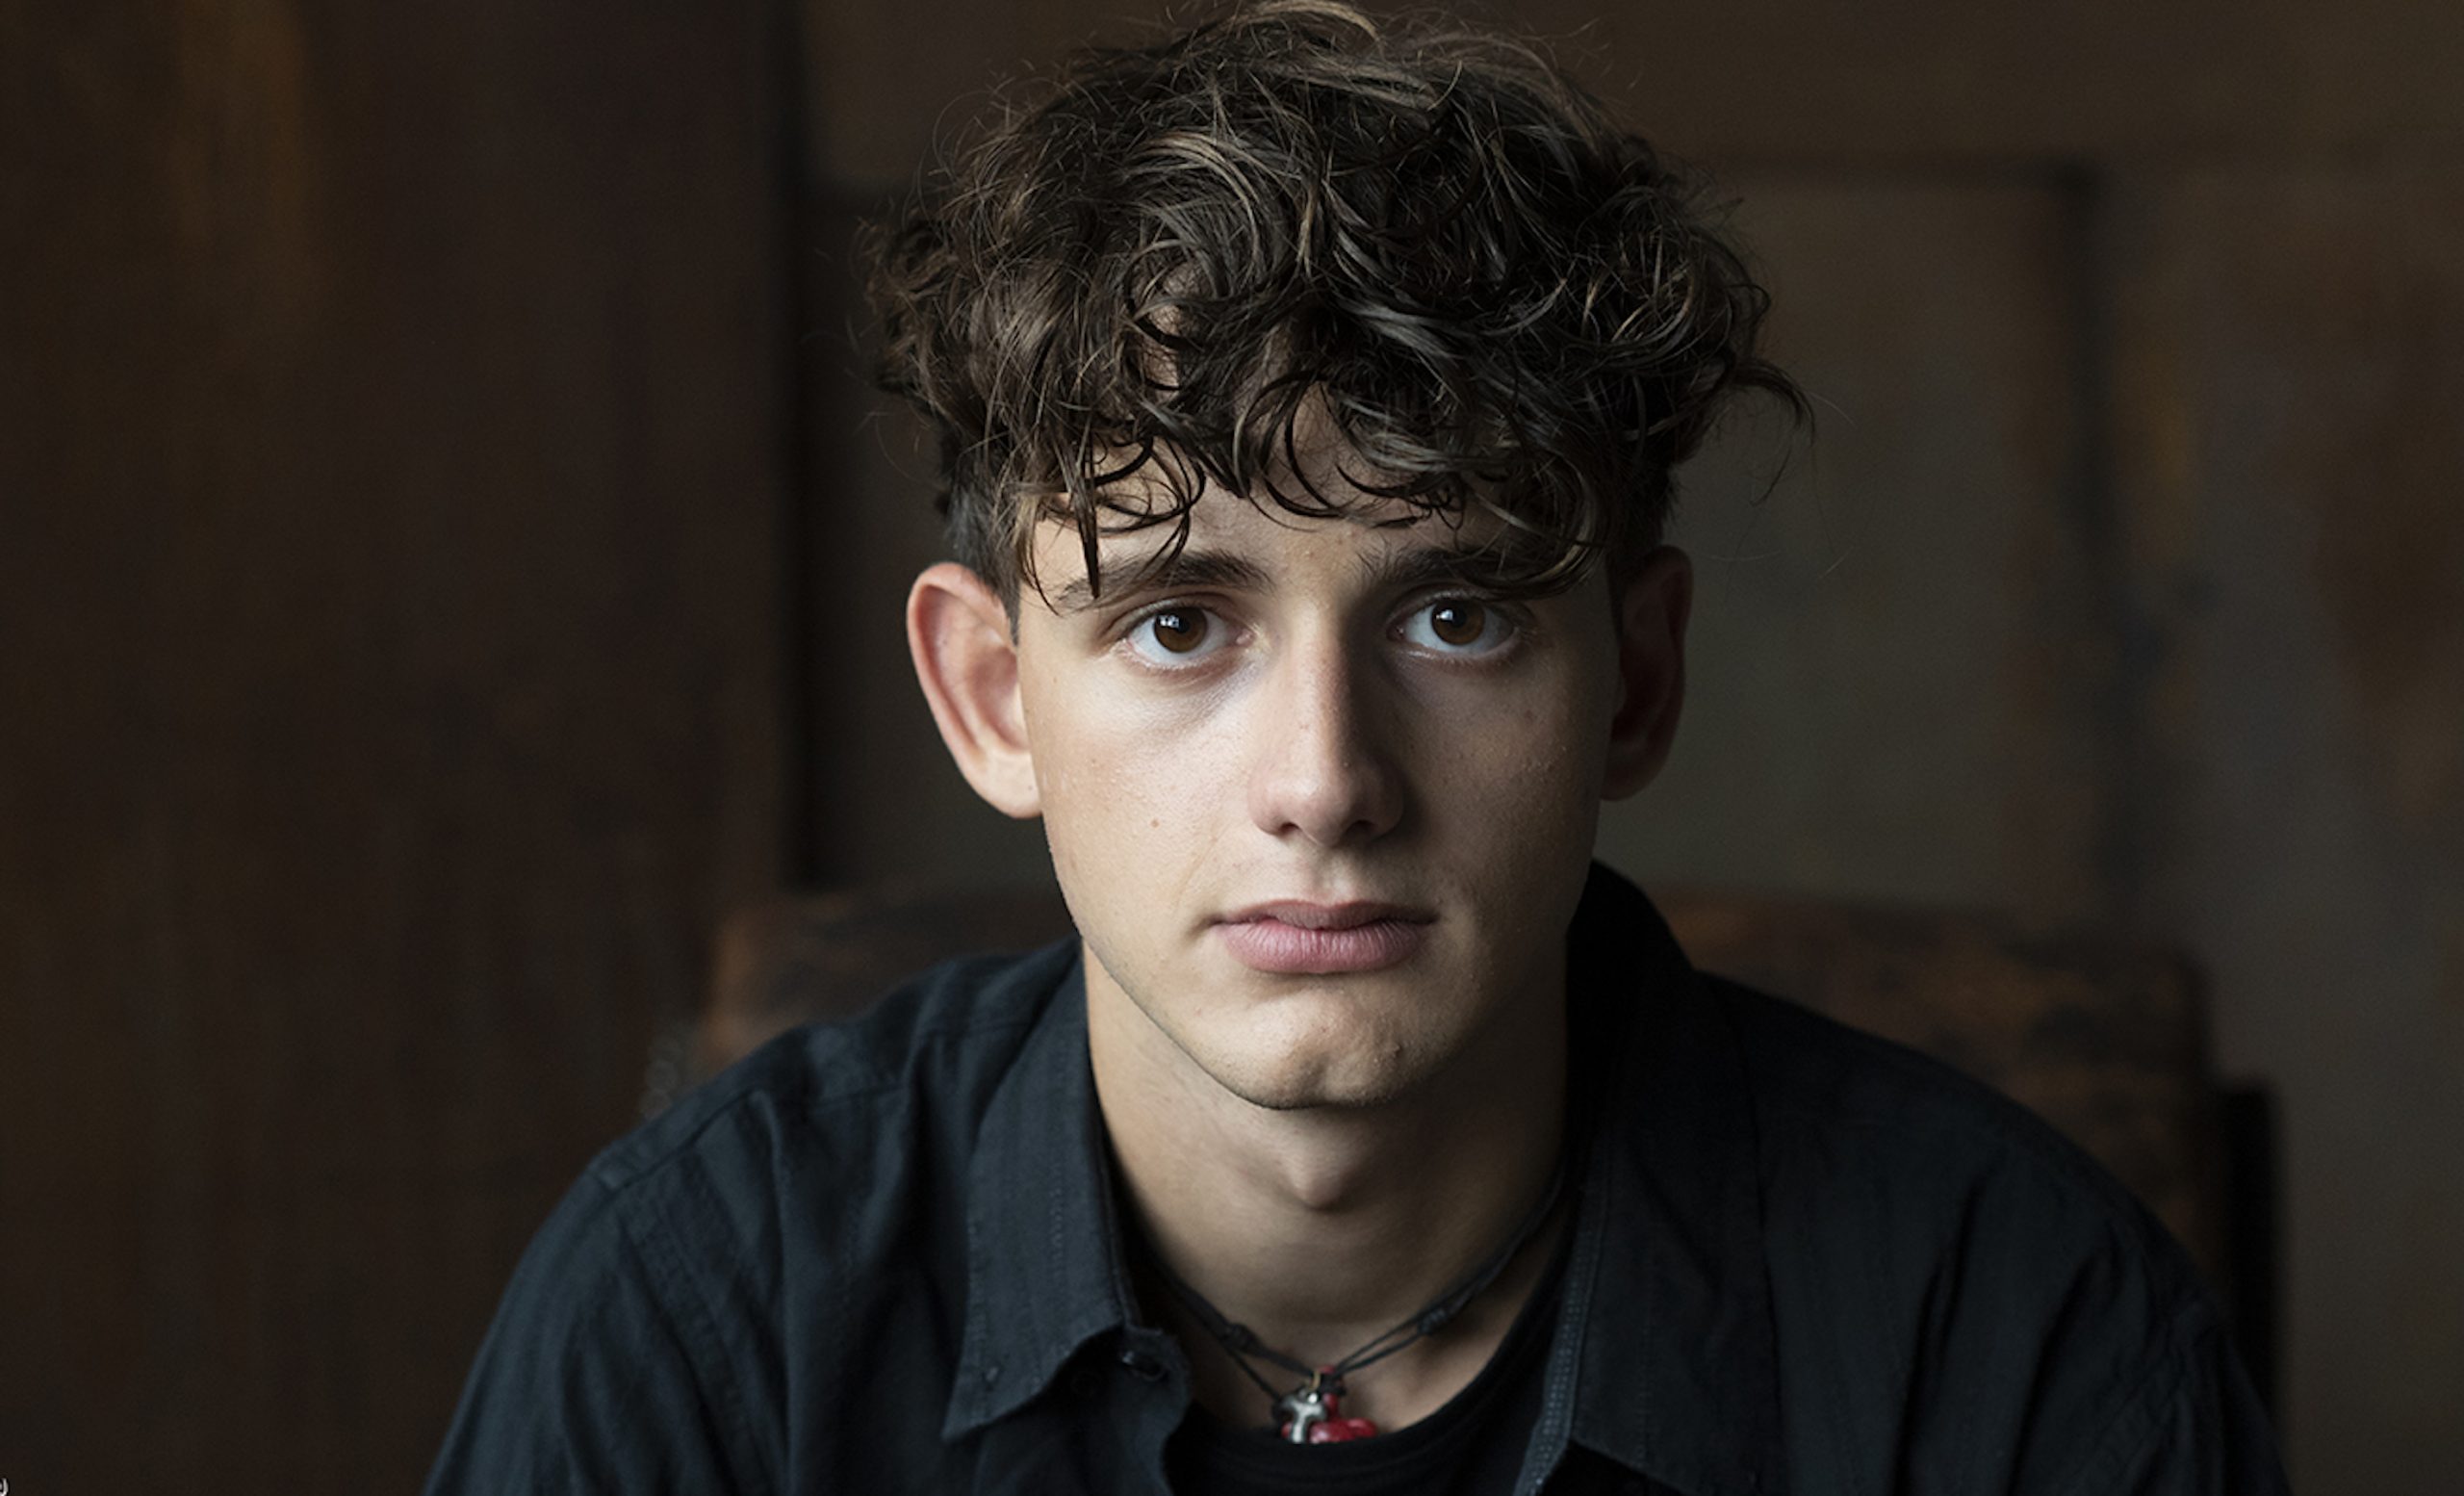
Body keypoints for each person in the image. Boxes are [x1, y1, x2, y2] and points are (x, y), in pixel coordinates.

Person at [424, 3, 2288, 1491]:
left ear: (1634, 685)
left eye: (1454, 615)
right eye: (1179, 625)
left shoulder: (2018, 1336)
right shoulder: (698, 1321)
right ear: (993, 697)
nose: (1324, 781)